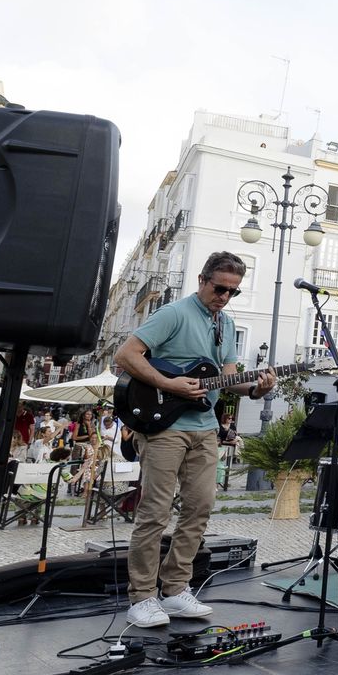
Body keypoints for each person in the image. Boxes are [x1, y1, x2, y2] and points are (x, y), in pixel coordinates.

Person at [114, 252, 274, 629]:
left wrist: (256, 389)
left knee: (200, 507)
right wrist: (169, 384)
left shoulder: (226, 324)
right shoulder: (173, 313)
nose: (225, 297)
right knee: (155, 511)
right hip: (164, 427)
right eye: (219, 289)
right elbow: (126, 354)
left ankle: (175, 589)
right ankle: (142, 597)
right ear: (202, 280)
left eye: (233, 292)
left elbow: (228, 378)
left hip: (205, 426)